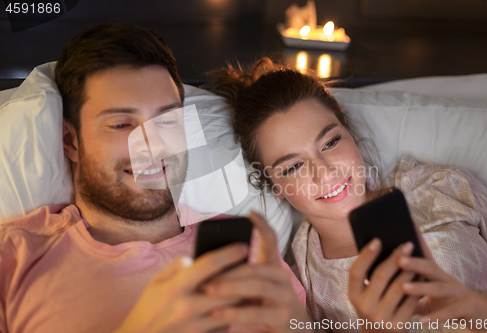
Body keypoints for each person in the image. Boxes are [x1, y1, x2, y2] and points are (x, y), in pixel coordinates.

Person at [0, 24, 315, 333]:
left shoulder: (250, 251)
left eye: (167, 121)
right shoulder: (15, 256)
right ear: (71, 142)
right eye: (122, 124)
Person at [208, 57, 487, 332]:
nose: (324, 172)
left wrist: (484, 310)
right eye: (293, 166)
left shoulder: (444, 186)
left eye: (331, 142)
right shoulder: (303, 289)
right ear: (276, 188)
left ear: (350, 134)